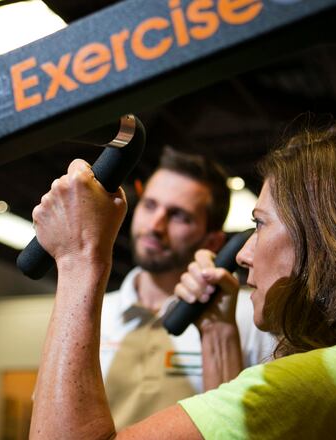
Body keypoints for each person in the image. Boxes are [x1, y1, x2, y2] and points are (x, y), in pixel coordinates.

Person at [28, 119, 336, 438]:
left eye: (260, 225)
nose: (244, 255)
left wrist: (79, 256)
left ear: (327, 241)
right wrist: (216, 333)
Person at [100, 147, 275, 429]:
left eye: (179, 216)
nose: (156, 225)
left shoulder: (249, 318)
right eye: (149, 205)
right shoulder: (94, 312)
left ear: (213, 243)